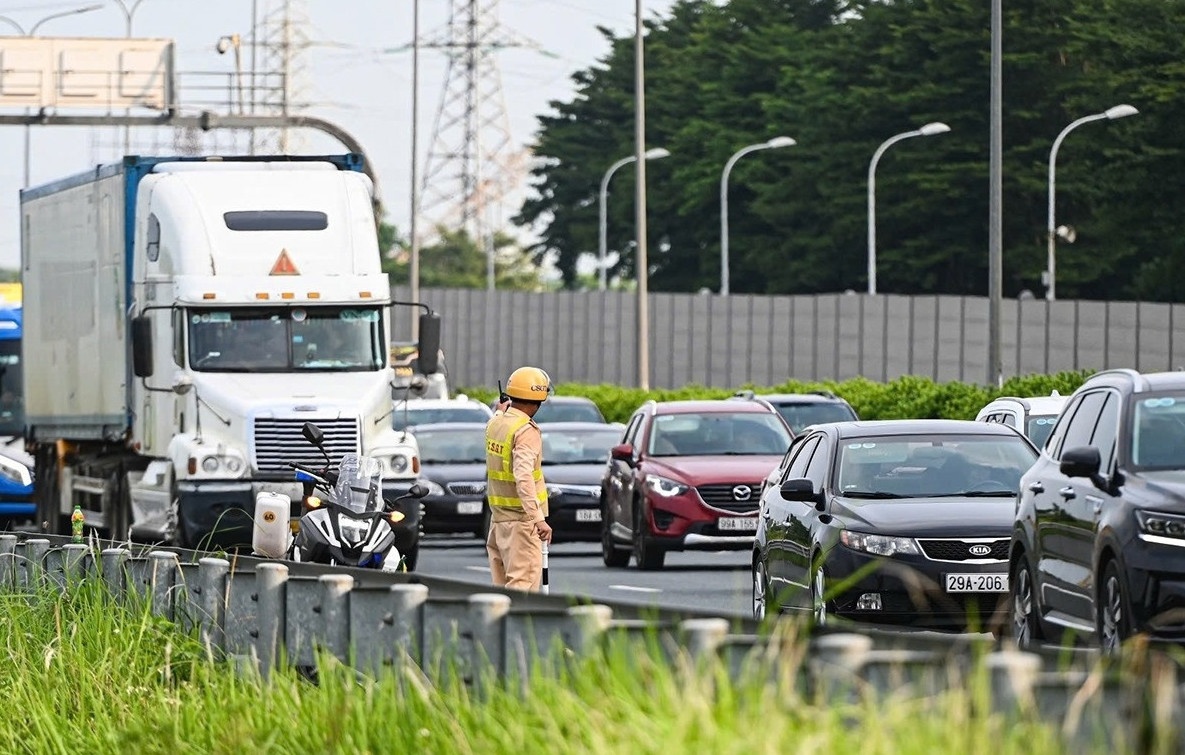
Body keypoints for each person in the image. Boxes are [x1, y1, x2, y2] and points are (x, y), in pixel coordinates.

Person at [485, 366, 554, 591]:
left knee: (501, 589)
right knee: (523, 589)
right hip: (523, 524)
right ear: (538, 399)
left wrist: (501, 410)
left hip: (498, 522)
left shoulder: (496, 422)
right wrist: (538, 519)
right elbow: (523, 476)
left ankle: (499, 628)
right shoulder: (525, 431)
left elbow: (500, 416)